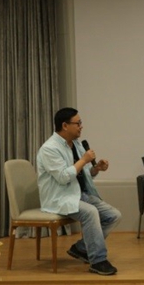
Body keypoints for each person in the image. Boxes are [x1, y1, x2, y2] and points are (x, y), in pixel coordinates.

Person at [36, 107, 122, 276]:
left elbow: (83, 173)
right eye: (78, 123)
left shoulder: (76, 144)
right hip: (59, 197)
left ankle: (81, 248)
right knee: (90, 212)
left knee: (114, 215)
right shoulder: (49, 149)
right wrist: (83, 160)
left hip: (78, 194)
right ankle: (98, 261)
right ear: (65, 125)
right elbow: (63, 177)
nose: (81, 126)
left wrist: (96, 168)